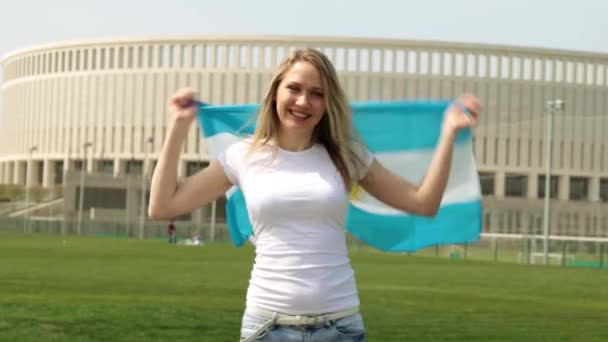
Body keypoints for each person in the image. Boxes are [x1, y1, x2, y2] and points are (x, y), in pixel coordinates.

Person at [149, 48, 481, 341]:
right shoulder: (242, 156)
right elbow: (163, 206)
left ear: (327, 103)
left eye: (316, 93)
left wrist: (449, 133)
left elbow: (423, 203)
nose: (303, 101)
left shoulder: (347, 156)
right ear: (276, 92)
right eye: (293, 88)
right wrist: (179, 125)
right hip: (267, 326)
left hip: (341, 326)